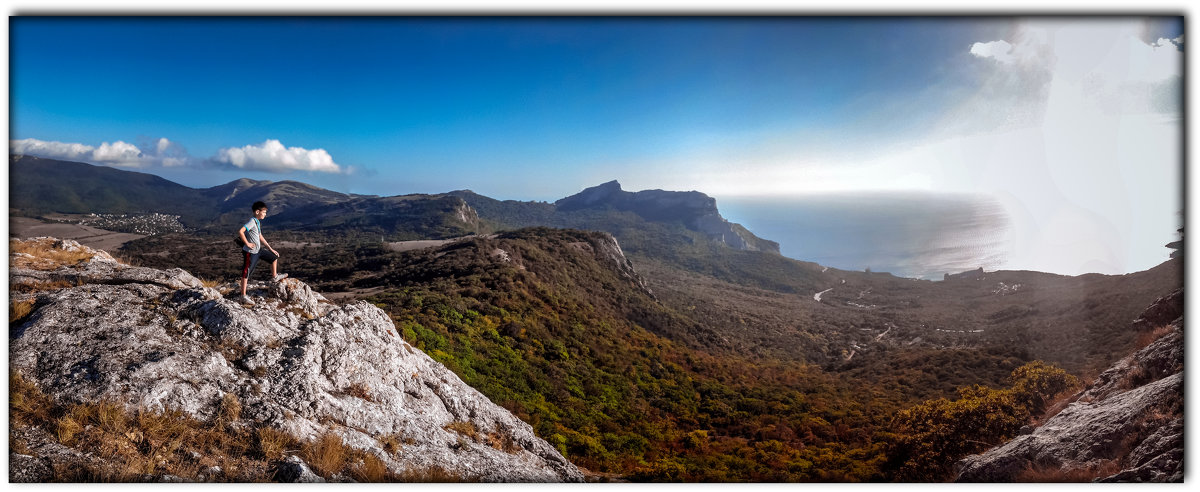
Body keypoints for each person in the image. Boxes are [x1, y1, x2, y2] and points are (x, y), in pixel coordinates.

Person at [237, 201, 287, 304]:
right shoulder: (252, 221)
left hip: (258, 250)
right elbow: (241, 231)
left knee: (274, 258)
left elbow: (260, 236)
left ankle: (274, 277)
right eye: (264, 212)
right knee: (246, 272)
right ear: (257, 212)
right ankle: (243, 296)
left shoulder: (257, 222)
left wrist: (270, 249)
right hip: (251, 252)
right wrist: (247, 244)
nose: (265, 214)